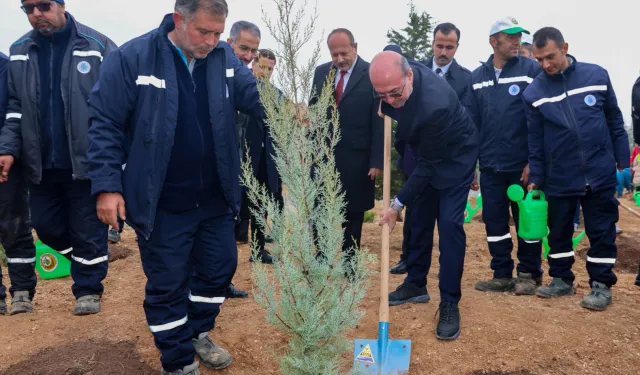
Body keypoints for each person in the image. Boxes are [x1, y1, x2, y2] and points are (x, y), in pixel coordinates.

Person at [86, 0, 265, 372]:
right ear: (179, 20)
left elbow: (257, 96)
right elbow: (104, 123)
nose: (213, 41)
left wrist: (295, 112)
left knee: (219, 269)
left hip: (215, 197)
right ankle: (177, 360)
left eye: (219, 33)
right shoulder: (134, 57)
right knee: (168, 283)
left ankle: (197, 332)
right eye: (204, 32)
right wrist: (107, 186)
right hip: (162, 201)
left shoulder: (222, 59)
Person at [0, 0, 117, 315]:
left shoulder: (97, 46)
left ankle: (88, 290)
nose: (36, 13)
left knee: (87, 226)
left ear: (61, 5)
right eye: (28, 8)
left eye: (43, 5)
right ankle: (88, 254)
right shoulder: (19, 50)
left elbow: (117, 104)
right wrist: (8, 149)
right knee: (45, 225)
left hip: (85, 160)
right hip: (38, 163)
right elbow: (14, 107)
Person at [374, 51, 479, 340]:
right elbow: (394, 101)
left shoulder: (436, 104)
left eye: (395, 94)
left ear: (409, 77)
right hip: (426, 151)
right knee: (418, 220)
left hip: (455, 161)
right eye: (382, 95)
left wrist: (396, 205)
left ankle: (449, 303)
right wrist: (388, 103)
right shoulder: (400, 73)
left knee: (448, 226)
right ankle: (416, 284)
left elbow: (429, 167)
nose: (390, 100)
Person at [523, 27, 629, 311]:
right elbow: (535, 140)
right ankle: (561, 279)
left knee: (601, 230)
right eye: (539, 60)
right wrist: (536, 177)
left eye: (550, 57)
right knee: (558, 230)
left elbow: (614, 121)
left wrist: (622, 161)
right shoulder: (534, 92)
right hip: (559, 175)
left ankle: (601, 284)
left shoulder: (596, 75)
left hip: (599, 171)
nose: (545, 65)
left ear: (564, 48)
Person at [467, 16, 543, 296]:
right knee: (495, 224)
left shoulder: (531, 70)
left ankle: (528, 273)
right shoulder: (477, 78)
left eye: (518, 36)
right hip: (490, 166)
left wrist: (533, 162)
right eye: (510, 36)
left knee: (527, 221)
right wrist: (471, 166)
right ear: (493, 41)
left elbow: (539, 120)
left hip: (521, 165)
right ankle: (501, 273)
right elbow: (472, 125)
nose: (516, 41)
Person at [390, 22, 473, 275]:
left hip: (450, 164)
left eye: (450, 47)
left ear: (457, 47)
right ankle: (414, 278)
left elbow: (470, 122)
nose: (444, 51)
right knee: (417, 221)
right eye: (440, 45)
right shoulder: (413, 70)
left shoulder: (466, 79)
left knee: (448, 225)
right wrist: (404, 157)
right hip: (417, 160)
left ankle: (449, 297)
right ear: (432, 43)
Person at [310, 28, 383, 275]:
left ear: (355, 47)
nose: (340, 59)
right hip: (324, 156)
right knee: (321, 208)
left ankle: (350, 262)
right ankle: (321, 257)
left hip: (358, 158)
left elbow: (379, 120)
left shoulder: (371, 73)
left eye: (344, 53)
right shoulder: (321, 73)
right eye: (334, 54)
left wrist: (376, 160)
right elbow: (314, 112)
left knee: (353, 212)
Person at [226, 20, 263, 299]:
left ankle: (222, 281)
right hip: (211, 166)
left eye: (254, 50)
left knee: (227, 227)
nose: (249, 55)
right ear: (229, 43)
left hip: (234, 164)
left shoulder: (244, 79)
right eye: (244, 48)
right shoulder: (214, 71)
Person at [0, 51, 38, 316]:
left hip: (5, 161)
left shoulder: (5, 66)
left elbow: (14, 112)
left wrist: (6, 150)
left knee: (14, 226)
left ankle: (22, 291)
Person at [242, 49, 282, 264]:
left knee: (261, 206)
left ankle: (258, 251)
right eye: (263, 67)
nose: (266, 72)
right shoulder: (241, 88)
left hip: (267, 160)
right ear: (254, 64)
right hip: (244, 157)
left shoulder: (277, 94)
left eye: (271, 68)